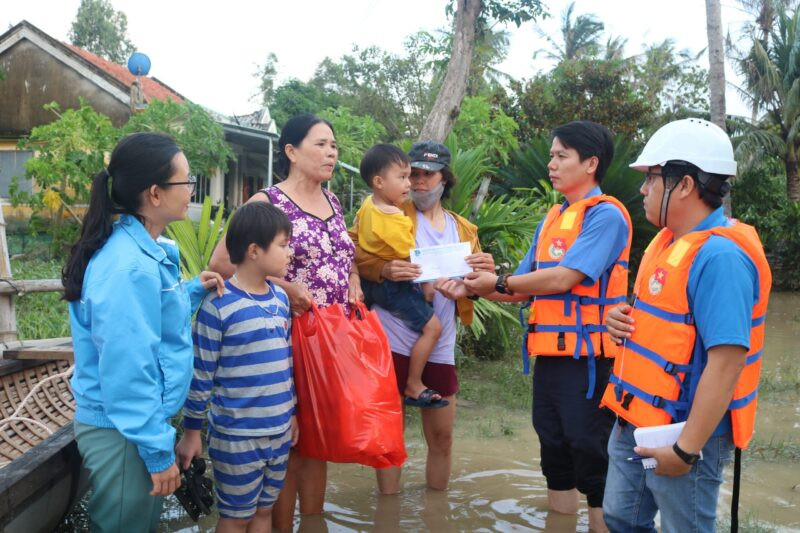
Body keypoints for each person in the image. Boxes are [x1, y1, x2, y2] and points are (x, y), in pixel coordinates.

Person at [600, 118, 772, 532]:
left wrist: (686, 449)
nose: (643, 189)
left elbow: (727, 362)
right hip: (636, 418)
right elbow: (668, 323)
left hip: (683, 431)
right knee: (620, 517)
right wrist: (620, 319)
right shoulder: (667, 241)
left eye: (652, 179)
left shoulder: (721, 259)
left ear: (686, 185)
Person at [463, 121, 631, 532]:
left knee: (592, 457)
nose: (552, 164)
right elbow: (521, 288)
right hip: (552, 359)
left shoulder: (605, 216)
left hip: (591, 361)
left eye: (561, 156)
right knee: (554, 453)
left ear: (591, 163)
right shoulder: (552, 218)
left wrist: (498, 283)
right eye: (552, 155)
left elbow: (564, 277)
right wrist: (473, 287)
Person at [63, 132, 223, 532]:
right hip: (123, 431)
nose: (191, 190)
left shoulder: (143, 252)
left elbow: (151, 323)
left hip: (135, 423)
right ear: (155, 193)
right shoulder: (128, 268)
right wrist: (156, 451)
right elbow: (128, 371)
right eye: (185, 181)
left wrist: (190, 292)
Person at [208, 113, 361, 531]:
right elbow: (223, 263)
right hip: (284, 337)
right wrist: (286, 288)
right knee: (289, 440)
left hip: (331, 339)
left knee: (318, 439)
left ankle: (312, 523)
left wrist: (354, 280)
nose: (332, 153)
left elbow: (346, 257)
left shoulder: (334, 202)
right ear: (291, 152)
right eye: (321, 144)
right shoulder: (266, 202)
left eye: (334, 146)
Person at [350, 140, 495, 494]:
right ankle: (388, 514)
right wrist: (384, 268)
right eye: (412, 174)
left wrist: (480, 278)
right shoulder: (387, 213)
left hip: (440, 343)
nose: (419, 182)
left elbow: (478, 284)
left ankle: (436, 512)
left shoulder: (464, 230)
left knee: (442, 438)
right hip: (391, 337)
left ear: (445, 179)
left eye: (428, 175)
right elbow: (350, 254)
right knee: (388, 439)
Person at [176, 202, 298, 533]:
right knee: (235, 516)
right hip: (237, 436)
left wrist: (293, 414)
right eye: (284, 245)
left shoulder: (280, 300)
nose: (291, 253)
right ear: (255, 250)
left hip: (279, 429)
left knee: (264, 512)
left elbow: (286, 364)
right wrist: (191, 433)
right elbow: (201, 375)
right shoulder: (218, 305)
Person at [356, 143, 445, 408]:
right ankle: (414, 383)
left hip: (371, 287)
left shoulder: (368, 205)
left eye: (425, 175)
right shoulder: (396, 215)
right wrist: (428, 285)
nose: (412, 184)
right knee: (433, 328)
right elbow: (409, 254)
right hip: (393, 289)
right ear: (379, 181)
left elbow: (357, 235)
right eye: (405, 177)